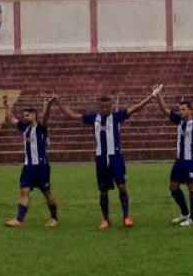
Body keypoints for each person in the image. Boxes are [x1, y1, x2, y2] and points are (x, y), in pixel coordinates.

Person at [53, 85, 161, 230]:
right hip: (101, 158)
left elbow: (136, 107)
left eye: (107, 106)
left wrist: (152, 95)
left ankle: (126, 217)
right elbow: (72, 115)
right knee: (103, 190)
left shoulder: (117, 117)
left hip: (115, 157)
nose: (104, 108)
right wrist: (58, 101)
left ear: (111, 106)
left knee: (122, 186)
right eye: (102, 106)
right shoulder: (94, 118)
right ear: (99, 107)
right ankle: (105, 219)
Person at [2, 96, 59, 228]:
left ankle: (54, 218)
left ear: (34, 115)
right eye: (24, 115)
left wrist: (49, 104)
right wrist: (5, 105)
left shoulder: (41, 127)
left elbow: (46, 116)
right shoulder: (24, 128)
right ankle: (19, 220)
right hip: (28, 167)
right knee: (24, 191)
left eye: (27, 115)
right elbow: (11, 119)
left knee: (46, 192)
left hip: (41, 167)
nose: (25, 117)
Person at [155, 92, 193, 228]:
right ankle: (185, 213)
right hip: (179, 160)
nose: (181, 111)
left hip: (191, 160)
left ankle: (192, 219)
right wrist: (158, 95)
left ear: (190, 110)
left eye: (184, 109)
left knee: (192, 187)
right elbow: (165, 110)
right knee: (173, 187)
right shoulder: (179, 121)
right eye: (180, 109)